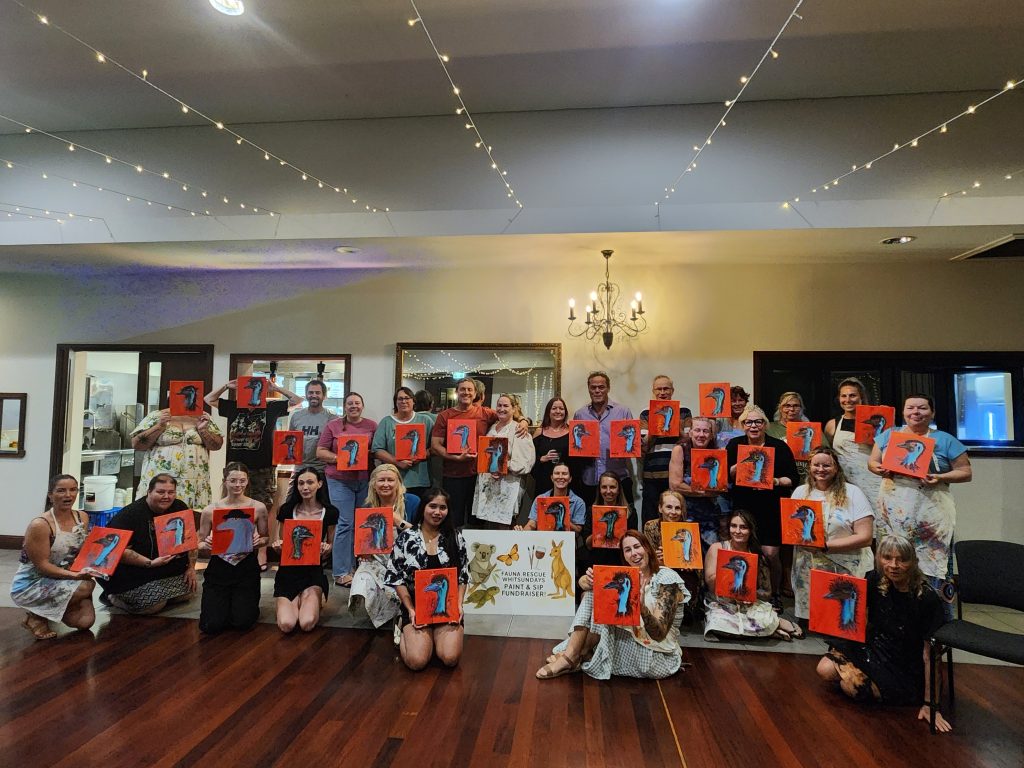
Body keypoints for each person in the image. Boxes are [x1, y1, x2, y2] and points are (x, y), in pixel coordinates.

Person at [816, 534, 951, 732]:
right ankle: (866, 681)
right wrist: (843, 590)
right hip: (875, 647)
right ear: (879, 558)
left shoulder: (927, 598)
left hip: (905, 663)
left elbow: (931, 655)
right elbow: (854, 616)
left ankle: (877, 687)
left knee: (851, 687)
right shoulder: (874, 579)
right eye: (887, 558)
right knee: (824, 669)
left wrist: (932, 705)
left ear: (914, 562)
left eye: (902, 560)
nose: (893, 565)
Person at [535, 531, 688, 680]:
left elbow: (659, 634)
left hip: (654, 653)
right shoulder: (628, 576)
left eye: (637, 547)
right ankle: (573, 655)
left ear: (647, 548)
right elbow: (583, 584)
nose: (634, 553)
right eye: (628, 550)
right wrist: (588, 580)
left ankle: (576, 655)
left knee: (600, 603)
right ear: (624, 556)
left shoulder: (667, 579)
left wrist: (640, 606)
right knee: (592, 595)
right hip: (631, 639)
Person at [868, 394, 972, 605]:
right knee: (893, 559)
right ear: (903, 412)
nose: (915, 412)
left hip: (930, 512)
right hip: (892, 511)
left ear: (932, 413)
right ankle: (893, 614)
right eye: (910, 408)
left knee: (931, 568)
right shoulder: (889, 435)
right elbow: (872, 462)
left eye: (922, 408)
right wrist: (878, 469)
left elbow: (966, 472)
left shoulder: (945, 439)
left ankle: (936, 616)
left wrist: (940, 477)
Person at [206, 377, 302, 570]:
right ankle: (232, 546)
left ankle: (261, 551)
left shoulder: (270, 408)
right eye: (246, 388)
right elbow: (209, 399)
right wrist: (226, 386)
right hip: (235, 466)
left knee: (263, 508)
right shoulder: (233, 407)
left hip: (263, 466)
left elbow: (297, 401)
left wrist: (275, 388)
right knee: (232, 506)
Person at [384, 488, 469, 670]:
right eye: (432, 506)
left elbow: (463, 576)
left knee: (450, 658)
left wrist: (459, 605)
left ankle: (434, 640)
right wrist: (410, 609)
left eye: (442, 508)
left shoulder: (455, 537)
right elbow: (395, 576)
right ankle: (402, 629)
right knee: (417, 662)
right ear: (423, 507)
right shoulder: (407, 538)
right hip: (415, 606)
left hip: (447, 606)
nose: (437, 512)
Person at [726, 404, 800, 608]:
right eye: (748, 422)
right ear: (743, 425)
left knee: (770, 554)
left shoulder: (779, 447)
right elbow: (724, 477)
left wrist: (775, 481)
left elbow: (793, 479)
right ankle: (743, 592)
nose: (753, 426)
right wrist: (736, 468)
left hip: (771, 507)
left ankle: (774, 593)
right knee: (744, 552)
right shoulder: (734, 445)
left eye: (758, 421)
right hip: (744, 506)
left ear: (765, 424)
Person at [789, 447, 874, 623]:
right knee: (811, 621)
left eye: (826, 465)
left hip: (844, 566)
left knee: (840, 621)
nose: (821, 469)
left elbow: (865, 537)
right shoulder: (800, 492)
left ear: (836, 468)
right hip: (808, 568)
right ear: (809, 467)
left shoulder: (853, 493)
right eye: (816, 465)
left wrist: (826, 546)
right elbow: (792, 529)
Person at [430, 378, 528, 529]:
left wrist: (524, 421)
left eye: (470, 389)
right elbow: (435, 445)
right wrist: (456, 457)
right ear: (456, 392)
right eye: (462, 389)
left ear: (475, 393)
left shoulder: (485, 413)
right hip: (453, 476)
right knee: (453, 519)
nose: (466, 392)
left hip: (478, 477)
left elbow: (506, 413)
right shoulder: (445, 415)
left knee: (477, 521)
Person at [10, 475, 95, 639]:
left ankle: (51, 609)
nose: (68, 495)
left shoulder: (82, 517)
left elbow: (82, 550)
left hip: (63, 577)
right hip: (32, 583)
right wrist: (74, 576)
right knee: (86, 586)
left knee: (85, 621)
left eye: (73, 490)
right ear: (50, 495)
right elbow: (42, 566)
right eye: (61, 491)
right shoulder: (40, 525)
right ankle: (35, 617)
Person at [101, 474, 198, 614]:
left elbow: (190, 541)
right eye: (160, 492)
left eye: (171, 492)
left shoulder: (179, 506)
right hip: (133, 572)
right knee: (154, 605)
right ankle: (112, 597)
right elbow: (115, 552)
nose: (166, 496)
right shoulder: (130, 515)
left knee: (189, 591)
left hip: (163, 569)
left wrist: (191, 568)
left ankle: (160, 594)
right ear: (149, 492)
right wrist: (150, 563)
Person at [703, 510, 803, 641]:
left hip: (749, 604)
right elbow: (710, 584)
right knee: (718, 625)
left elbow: (767, 593)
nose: (737, 531)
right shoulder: (717, 548)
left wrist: (750, 596)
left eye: (743, 527)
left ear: (751, 530)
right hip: (721, 602)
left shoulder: (756, 554)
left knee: (754, 617)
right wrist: (726, 572)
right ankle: (772, 630)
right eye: (733, 526)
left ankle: (774, 624)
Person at [196, 462, 269, 634]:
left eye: (242, 481)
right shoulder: (210, 510)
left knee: (243, 623)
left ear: (247, 481)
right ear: (225, 481)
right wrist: (207, 544)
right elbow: (199, 544)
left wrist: (259, 541)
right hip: (219, 568)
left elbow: (266, 538)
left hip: (246, 567)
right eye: (233, 480)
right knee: (211, 625)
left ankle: (240, 606)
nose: (238, 485)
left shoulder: (258, 507)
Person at [316, 392, 378, 587]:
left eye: (357, 403)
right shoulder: (333, 426)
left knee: (364, 524)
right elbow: (320, 451)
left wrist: (365, 454)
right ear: (344, 406)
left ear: (362, 406)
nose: (353, 406)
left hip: (364, 480)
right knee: (345, 523)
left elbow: (377, 450)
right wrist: (340, 458)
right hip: (339, 480)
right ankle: (341, 571)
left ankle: (361, 568)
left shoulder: (372, 425)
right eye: (350, 403)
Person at [350, 463, 419, 630]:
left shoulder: (412, 502)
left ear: (399, 483)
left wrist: (398, 521)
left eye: (390, 480)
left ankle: (399, 612)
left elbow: (421, 536)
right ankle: (384, 614)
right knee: (362, 579)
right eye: (381, 480)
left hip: (404, 560)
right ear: (374, 484)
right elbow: (360, 540)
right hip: (377, 560)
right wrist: (362, 552)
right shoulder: (367, 506)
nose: (386, 484)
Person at [271, 466, 337, 633]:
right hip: (287, 573)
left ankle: (312, 598)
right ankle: (291, 601)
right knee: (287, 624)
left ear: (319, 484)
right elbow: (282, 543)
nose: (305, 487)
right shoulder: (287, 510)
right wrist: (278, 546)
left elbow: (331, 544)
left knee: (306, 623)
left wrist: (327, 548)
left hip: (313, 572)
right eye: (301, 483)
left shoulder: (329, 512)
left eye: (310, 482)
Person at [130, 402, 223, 509]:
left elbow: (217, 445)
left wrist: (203, 429)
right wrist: (159, 426)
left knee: (193, 514)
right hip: (161, 478)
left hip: (195, 481)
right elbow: (137, 444)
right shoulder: (157, 415)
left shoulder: (203, 417)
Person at [572, 371, 635, 512]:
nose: (597, 391)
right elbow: (576, 445)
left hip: (618, 480)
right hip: (589, 480)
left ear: (608, 388)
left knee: (624, 519)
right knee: (591, 520)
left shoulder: (623, 411)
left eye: (601, 387)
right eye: (593, 387)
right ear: (588, 389)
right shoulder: (580, 414)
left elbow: (632, 444)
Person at [472, 394, 536, 528]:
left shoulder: (519, 430)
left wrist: (503, 466)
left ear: (514, 409)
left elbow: (525, 463)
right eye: (499, 405)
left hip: (508, 486)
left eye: (506, 406)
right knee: (488, 527)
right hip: (488, 486)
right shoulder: (492, 427)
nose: (501, 409)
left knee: (505, 528)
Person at [639, 375, 692, 523]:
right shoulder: (646, 413)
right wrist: (654, 429)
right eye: (659, 389)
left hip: (678, 476)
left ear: (672, 391)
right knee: (651, 517)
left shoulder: (684, 411)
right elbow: (642, 447)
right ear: (653, 391)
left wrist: (676, 427)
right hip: (652, 475)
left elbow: (689, 442)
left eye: (666, 389)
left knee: (677, 516)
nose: (662, 392)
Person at [824, 377, 882, 511]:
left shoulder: (876, 424)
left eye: (852, 395)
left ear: (861, 397)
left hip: (872, 481)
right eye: (843, 396)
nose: (848, 400)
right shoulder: (832, 425)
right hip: (844, 482)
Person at [643, 490, 701, 619]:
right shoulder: (651, 526)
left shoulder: (689, 528)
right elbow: (648, 559)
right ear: (660, 508)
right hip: (658, 571)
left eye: (677, 508)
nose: (673, 512)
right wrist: (660, 560)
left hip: (684, 573)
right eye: (669, 507)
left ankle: (684, 610)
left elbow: (696, 565)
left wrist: (689, 564)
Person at [668, 416, 725, 548]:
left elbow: (720, 487)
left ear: (711, 435)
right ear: (690, 432)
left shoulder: (717, 452)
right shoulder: (680, 449)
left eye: (705, 431)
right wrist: (705, 492)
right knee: (687, 550)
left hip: (710, 510)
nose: (701, 435)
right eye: (697, 430)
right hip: (685, 509)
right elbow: (675, 485)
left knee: (711, 549)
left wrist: (708, 491)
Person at [372, 386, 436, 499]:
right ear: (395, 402)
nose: (404, 401)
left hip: (420, 481)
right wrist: (397, 462)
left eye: (407, 398)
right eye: (400, 399)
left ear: (413, 401)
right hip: (393, 481)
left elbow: (434, 447)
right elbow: (377, 450)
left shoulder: (426, 421)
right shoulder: (386, 422)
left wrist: (420, 456)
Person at [766, 391, 829, 484]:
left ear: (801, 408)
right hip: (780, 481)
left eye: (796, 406)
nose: (791, 409)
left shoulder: (812, 429)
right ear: (780, 408)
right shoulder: (769, 428)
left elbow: (827, 453)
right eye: (787, 406)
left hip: (808, 480)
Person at [580, 471, 638, 571]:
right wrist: (599, 530)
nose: (608, 491)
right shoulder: (591, 511)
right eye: (604, 487)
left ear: (619, 490)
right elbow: (588, 545)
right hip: (597, 561)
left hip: (622, 561)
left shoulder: (630, 512)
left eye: (612, 487)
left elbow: (634, 541)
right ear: (599, 490)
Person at [531, 396, 580, 498]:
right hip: (544, 482)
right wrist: (542, 459)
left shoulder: (572, 432)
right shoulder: (539, 432)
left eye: (561, 409)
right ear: (548, 411)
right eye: (554, 408)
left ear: (565, 412)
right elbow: (529, 460)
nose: (558, 411)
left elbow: (579, 460)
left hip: (567, 482)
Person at [516, 463, 586, 532]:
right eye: (557, 473)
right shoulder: (540, 499)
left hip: (567, 539)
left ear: (570, 478)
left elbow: (578, 530)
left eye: (564, 474)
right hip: (544, 538)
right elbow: (532, 524)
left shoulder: (578, 502)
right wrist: (522, 533)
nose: (560, 477)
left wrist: (562, 519)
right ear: (552, 478)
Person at [288, 379, 339, 470]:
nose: (314, 395)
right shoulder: (296, 416)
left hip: (323, 469)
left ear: (324, 396)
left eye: (318, 393)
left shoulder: (333, 418)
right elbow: (290, 441)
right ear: (306, 395)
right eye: (310, 392)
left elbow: (336, 445)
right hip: (299, 468)